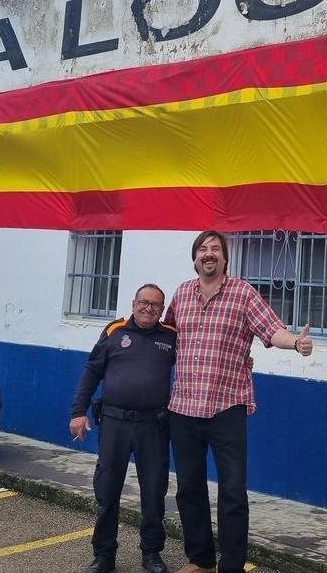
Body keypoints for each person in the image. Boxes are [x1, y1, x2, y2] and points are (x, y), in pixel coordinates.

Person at [164, 230, 313, 573]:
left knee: (232, 492)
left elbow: (271, 330)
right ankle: (200, 559)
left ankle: (230, 565)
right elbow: (167, 337)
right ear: (195, 258)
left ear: (225, 257)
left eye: (216, 248)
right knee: (188, 488)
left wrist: (295, 343)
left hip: (226, 407)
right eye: (203, 249)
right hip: (183, 407)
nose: (209, 254)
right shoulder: (182, 294)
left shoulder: (243, 293)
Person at [70, 284, 177, 573]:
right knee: (107, 490)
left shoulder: (171, 336)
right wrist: (78, 411)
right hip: (115, 423)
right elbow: (92, 370)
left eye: (155, 305)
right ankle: (104, 555)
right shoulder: (114, 331)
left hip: (153, 426)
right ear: (133, 303)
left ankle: (152, 553)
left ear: (162, 309)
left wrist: (243, 360)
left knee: (154, 492)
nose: (149, 308)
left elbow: (197, 363)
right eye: (144, 302)